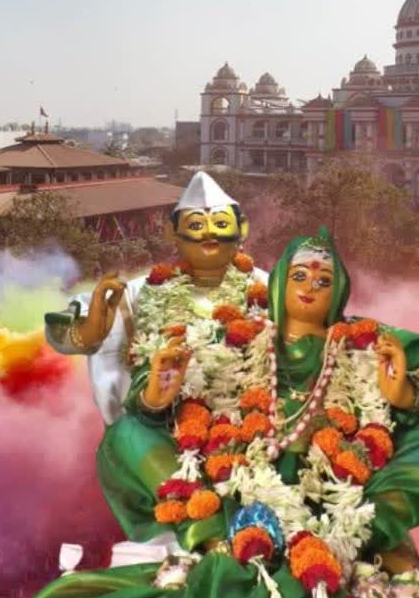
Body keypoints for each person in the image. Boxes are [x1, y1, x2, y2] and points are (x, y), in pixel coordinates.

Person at [36, 228, 419, 598]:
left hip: (338, 494)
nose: (309, 287)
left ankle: (363, 544)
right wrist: (160, 387)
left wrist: (408, 393)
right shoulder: (231, 335)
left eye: (323, 280)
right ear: (282, 281)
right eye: (300, 275)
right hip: (236, 489)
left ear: (339, 292)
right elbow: (143, 396)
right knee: (128, 434)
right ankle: (215, 538)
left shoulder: (362, 339)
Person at [45, 171, 266, 553]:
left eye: (221, 223)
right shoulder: (141, 292)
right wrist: (93, 327)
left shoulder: (272, 288)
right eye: (196, 224)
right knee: (125, 437)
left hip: (258, 433)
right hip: (165, 438)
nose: (209, 233)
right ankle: (206, 534)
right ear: (172, 233)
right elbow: (63, 334)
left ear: (241, 227)